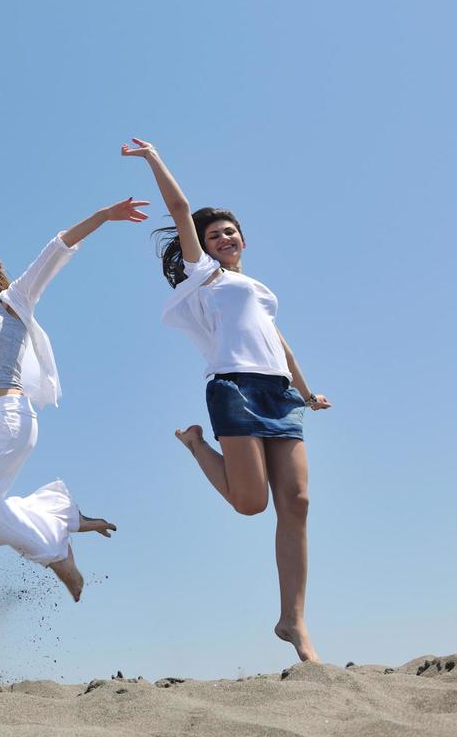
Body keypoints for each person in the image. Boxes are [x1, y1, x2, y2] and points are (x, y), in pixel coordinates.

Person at [121, 137, 331, 662]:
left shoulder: (258, 288)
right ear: (203, 246)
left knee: (298, 504)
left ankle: (293, 621)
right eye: (214, 234)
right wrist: (153, 159)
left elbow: (277, 340)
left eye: (230, 231)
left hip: (279, 392)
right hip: (233, 387)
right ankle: (196, 444)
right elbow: (177, 209)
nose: (224, 237)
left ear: (243, 238)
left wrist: (306, 391)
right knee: (251, 503)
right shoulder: (204, 275)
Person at [0, 199, 141, 600]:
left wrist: (102, 216)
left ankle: (55, 553)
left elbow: (57, 247)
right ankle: (60, 512)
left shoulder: (14, 301)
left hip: (10, 415)